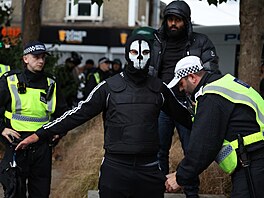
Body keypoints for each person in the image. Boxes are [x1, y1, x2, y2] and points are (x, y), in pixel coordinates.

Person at [15, 35, 192, 198]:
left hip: (149, 170)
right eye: (134, 52)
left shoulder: (159, 88)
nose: (139, 57)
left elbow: (187, 118)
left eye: (145, 52)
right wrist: (39, 134)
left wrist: (212, 122)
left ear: (151, 55)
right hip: (115, 169)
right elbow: (77, 114)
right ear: (126, 54)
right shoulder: (109, 87)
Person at [165, 55, 264, 198]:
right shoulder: (222, 84)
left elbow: (204, 145)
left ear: (192, 77)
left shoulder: (211, 96)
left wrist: (180, 177)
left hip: (254, 160)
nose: (181, 89)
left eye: (181, 83)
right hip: (254, 157)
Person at [150, 1, 220, 197]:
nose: (173, 23)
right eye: (170, 19)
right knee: (158, 151)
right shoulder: (156, 41)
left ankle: (191, 193)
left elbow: (211, 70)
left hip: (188, 105)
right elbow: (150, 71)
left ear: (186, 22)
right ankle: (160, 191)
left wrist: (201, 98)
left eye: (178, 20)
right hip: (162, 104)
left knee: (191, 150)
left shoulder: (201, 41)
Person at [0, 41, 68, 198]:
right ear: (25, 59)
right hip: (16, 143)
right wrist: (2, 128)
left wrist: (59, 132)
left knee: (41, 193)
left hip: (42, 145)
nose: (41, 61)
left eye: (43, 57)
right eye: (36, 57)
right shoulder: (10, 80)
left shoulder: (51, 82)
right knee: (14, 191)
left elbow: (63, 113)